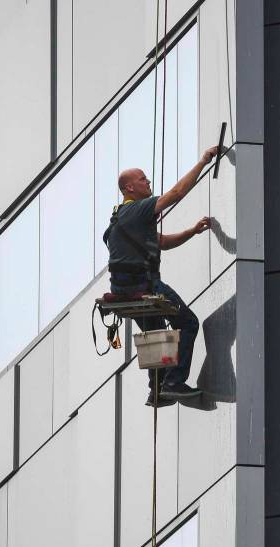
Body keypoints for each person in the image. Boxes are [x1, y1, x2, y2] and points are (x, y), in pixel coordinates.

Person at [103, 145, 219, 406]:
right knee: (188, 323)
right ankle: (173, 382)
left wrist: (191, 231)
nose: (148, 181)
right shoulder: (137, 209)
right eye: (143, 178)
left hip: (124, 290)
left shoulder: (120, 220)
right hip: (145, 285)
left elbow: (161, 242)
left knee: (156, 333)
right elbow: (177, 193)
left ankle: (157, 389)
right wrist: (203, 161)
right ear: (129, 188)